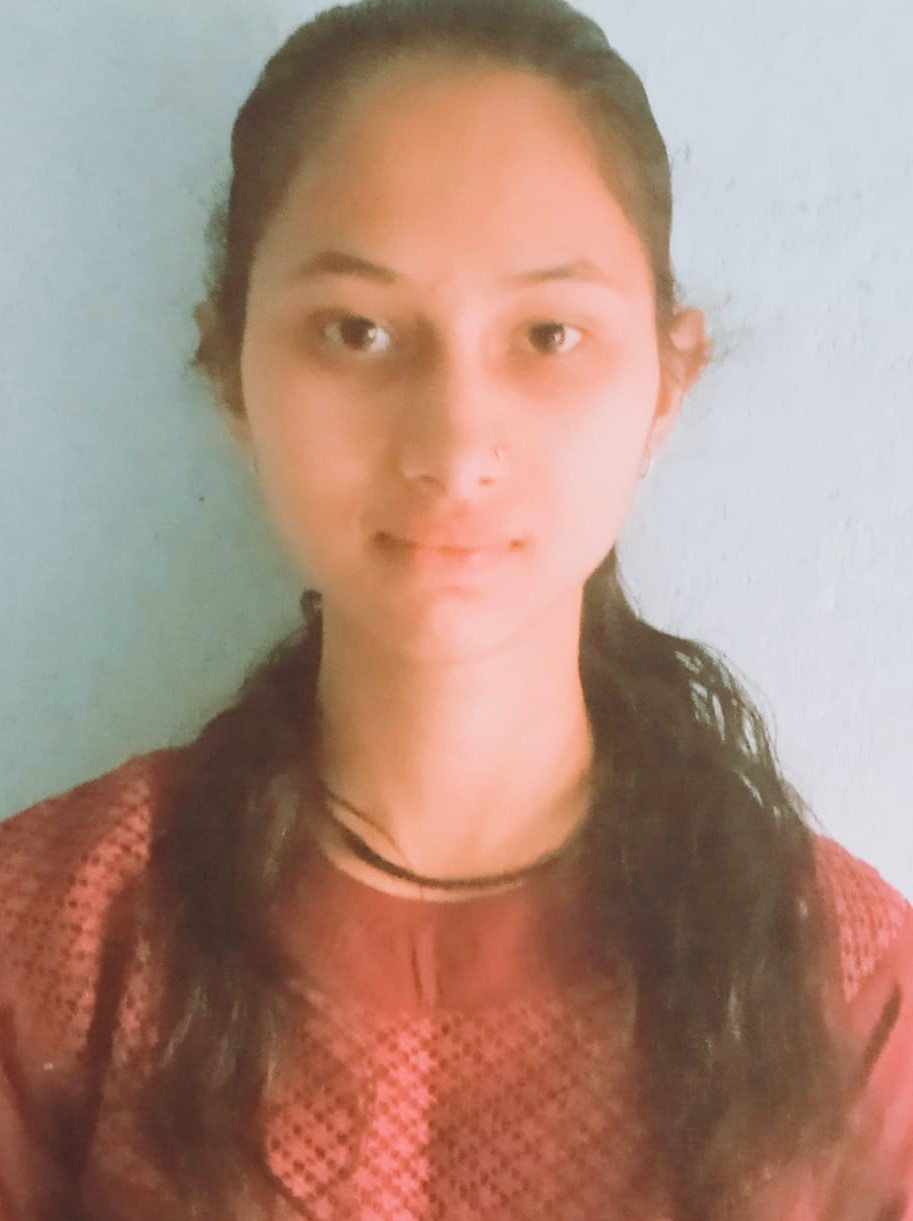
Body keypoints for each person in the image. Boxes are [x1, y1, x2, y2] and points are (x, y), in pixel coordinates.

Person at [1, 0, 911, 1217]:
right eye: (356, 330)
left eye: (548, 334)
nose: (454, 445)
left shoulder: (845, 983)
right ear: (231, 370)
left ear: (666, 380)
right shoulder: (49, 942)